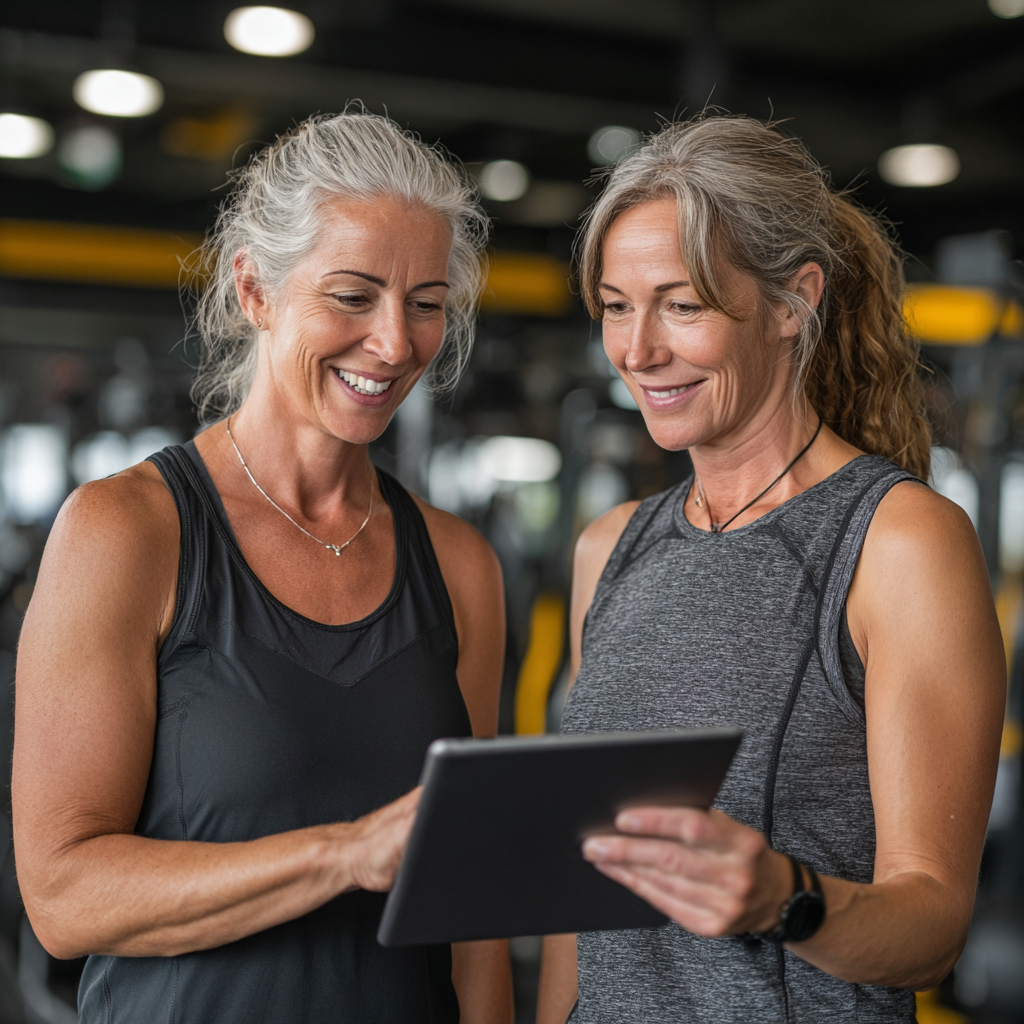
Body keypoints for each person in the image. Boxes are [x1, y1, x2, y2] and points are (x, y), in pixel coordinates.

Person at [13, 111, 513, 1024]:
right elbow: (63, 899)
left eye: (427, 303)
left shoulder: (459, 564)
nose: (396, 343)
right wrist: (344, 855)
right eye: (354, 296)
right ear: (253, 288)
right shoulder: (126, 532)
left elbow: (471, 906)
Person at [536, 116, 1005, 1024]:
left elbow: (933, 925)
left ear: (793, 303)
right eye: (616, 306)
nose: (638, 350)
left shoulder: (897, 542)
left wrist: (781, 899)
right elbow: (578, 899)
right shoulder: (613, 547)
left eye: (682, 304)